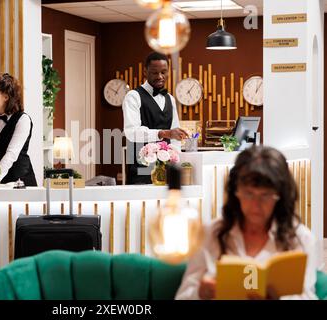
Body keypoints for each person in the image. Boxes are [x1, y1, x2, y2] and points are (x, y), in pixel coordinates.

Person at [175, 146, 318, 300]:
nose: (256, 204)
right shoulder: (210, 233)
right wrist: (201, 293)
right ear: (236, 192)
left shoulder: (300, 238)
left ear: (280, 196)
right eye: (248, 193)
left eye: (265, 195)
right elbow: (183, 296)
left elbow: (307, 295)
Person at [122, 52, 188, 184]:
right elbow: (132, 132)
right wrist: (164, 133)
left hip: (167, 171)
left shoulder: (170, 99)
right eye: (154, 72)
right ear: (145, 72)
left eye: (164, 72)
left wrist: (177, 161)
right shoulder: (133, 96)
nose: (160, 77)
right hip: (141, 170)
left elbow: (174, 139)